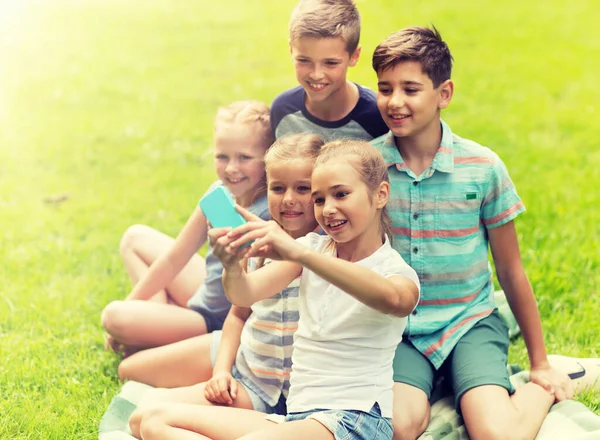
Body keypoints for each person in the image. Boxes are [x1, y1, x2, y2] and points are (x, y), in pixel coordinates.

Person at [133, 140, 420, 440]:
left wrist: (302, 255)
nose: (329, 209)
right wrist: (233, 265)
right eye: (320, 200)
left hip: (354, 420)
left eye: (341, 194)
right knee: (153, 420)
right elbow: (244, 295)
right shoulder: (310, 249)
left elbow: (394, 299)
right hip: (299, 418)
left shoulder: (395, 271)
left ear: (380, 195)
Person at [370, 26, 574, 440]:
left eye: (411, 89)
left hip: (470, 322)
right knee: (397, 428)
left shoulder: (483, 167)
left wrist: (539, 363)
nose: (395, 102)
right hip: (402, 332)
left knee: (498, 436)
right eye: (385, 88)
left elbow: (511, 271)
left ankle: (542, 390)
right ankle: (440, 384)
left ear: (444, 94)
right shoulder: (369, 167)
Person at [127, 133, 324, 438]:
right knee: (140, 415)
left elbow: (248, 288)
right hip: (256, 383)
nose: (288, 199)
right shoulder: (262, 240)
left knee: (154, 422)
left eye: (303, 189)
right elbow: (238, 314)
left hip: (302, 401)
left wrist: (233, 266)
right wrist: (221, 373)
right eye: (278, 188)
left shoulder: (326, 249)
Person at [101, 101, 273, 380]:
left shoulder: (270, 209)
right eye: (222, 157)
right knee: (134, 239)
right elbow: (172, 260)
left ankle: (156, 330)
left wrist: (130, 315)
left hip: (217, 320)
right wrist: (135, 303)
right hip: (206, 292)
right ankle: (155, 322)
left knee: (113, 317)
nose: (232, 168)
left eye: (244, 157)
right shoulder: (219, 194)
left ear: (267, 157)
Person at [270, 0, 388, 142]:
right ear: (291, 50)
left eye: (331, 63)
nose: (316, 74)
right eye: (304, 60)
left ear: (354, 56)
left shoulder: (377, 115)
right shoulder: (283, 110)